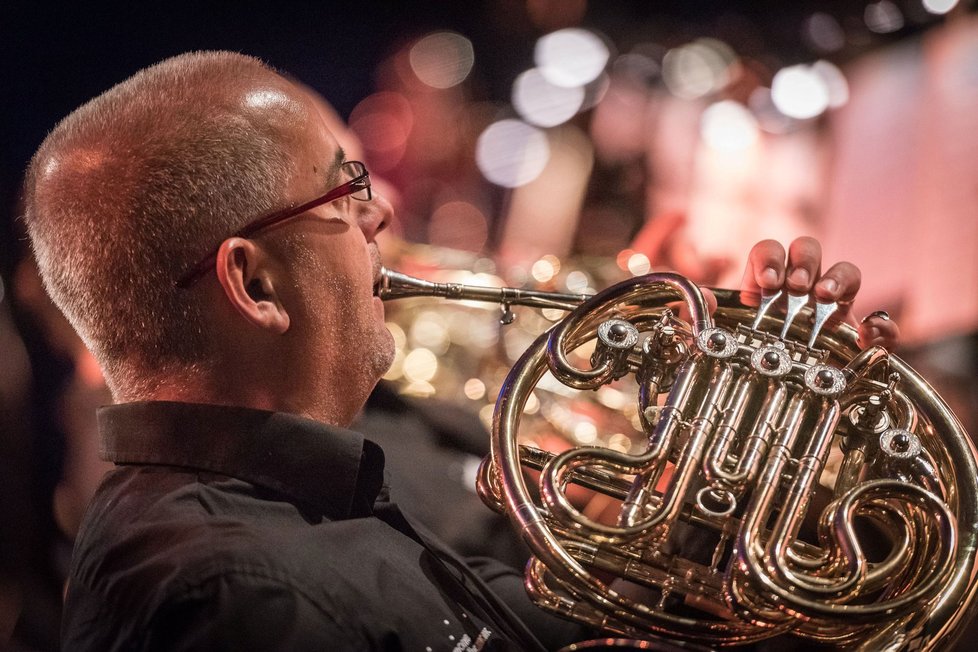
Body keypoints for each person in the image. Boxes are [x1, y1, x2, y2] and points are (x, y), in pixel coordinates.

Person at [21, 51, 897, 651]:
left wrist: (742, 456)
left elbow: (539, 622)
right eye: (346, 190)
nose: (384, 218)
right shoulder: (238, 596)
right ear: (253, 285)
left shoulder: (309, 498)